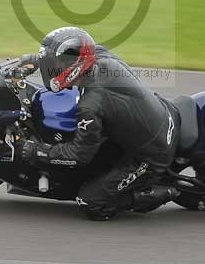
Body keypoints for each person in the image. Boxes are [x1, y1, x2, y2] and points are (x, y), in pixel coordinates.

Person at [15, 26, 181, 220]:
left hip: (152, 153)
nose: (51, 68)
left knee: (91, 203)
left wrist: (39, 152)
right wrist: (35, 61)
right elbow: (72, 56)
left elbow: (80, 154)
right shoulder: (99, 57)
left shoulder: (90, 105)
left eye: (54, 63)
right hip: (161, 114)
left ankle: (159, 192)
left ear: (74, 65)